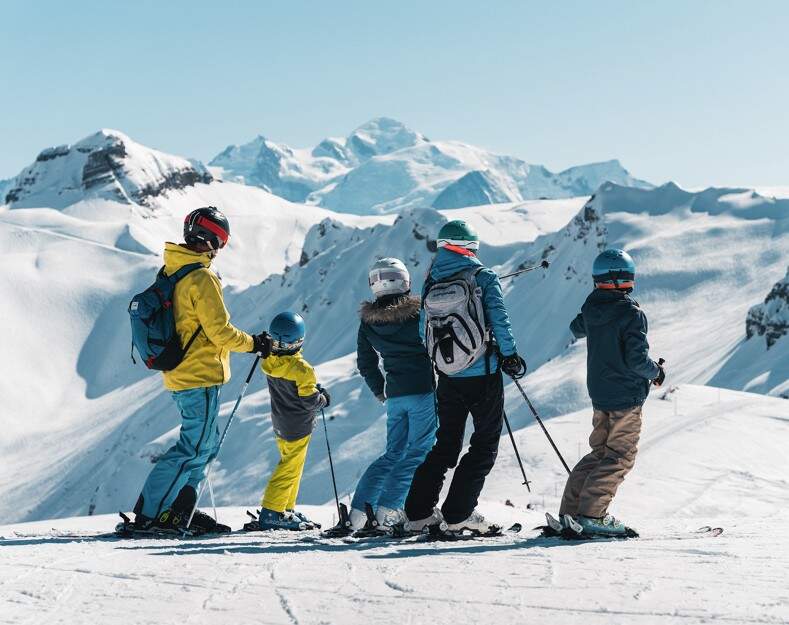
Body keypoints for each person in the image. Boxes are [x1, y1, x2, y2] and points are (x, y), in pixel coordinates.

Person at [132, 207, 271, 534]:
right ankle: (154, 514)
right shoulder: (202, 278)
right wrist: (254, 343)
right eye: (220, 241)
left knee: (202, 447)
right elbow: (219, 332)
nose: (218, 249)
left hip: (180, 374)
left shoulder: (172, 269)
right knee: (193, 448)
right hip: (200, 374)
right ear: (210, 239)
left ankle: (181, 509)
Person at [404, 220, 526, 535]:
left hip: (446, 376)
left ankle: (417, 513)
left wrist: (446, 361)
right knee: (484, 445)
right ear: (469, 246)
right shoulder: (482, 277)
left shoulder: (431, 281)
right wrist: (509, 355)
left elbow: (423, 330)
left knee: (445, 446)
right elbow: (500, 319)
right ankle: (458, 515)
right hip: (482, 374)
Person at [558, 248, 664, 536]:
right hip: (625, 397)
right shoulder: (631, 313)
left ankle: (571, 512)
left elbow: (576, 327)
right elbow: (636, 360)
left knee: (599, 453)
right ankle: (592, 515)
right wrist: (656, 372)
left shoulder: (593, 306)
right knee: (620, 456)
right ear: (625, 280)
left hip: (600, 395)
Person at [350, 258, 437, 533]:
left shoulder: (368, 322)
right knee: (418, 452)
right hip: (422, 390)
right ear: (405, 281)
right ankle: (390, 511)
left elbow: (366, 363)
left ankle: (358, 514)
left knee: (393, 454)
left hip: (395, 396)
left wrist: (380, 390)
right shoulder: (418, 313)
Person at [245, 312, 329, 531]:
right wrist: (323, 397)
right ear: (299, 341)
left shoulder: (269, 361)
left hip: (280, 423)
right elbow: (310, 401)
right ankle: (272, 511)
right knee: (289, 469)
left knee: (293, 466)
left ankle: (285, 508)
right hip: (298, 426)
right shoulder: (303, 370)